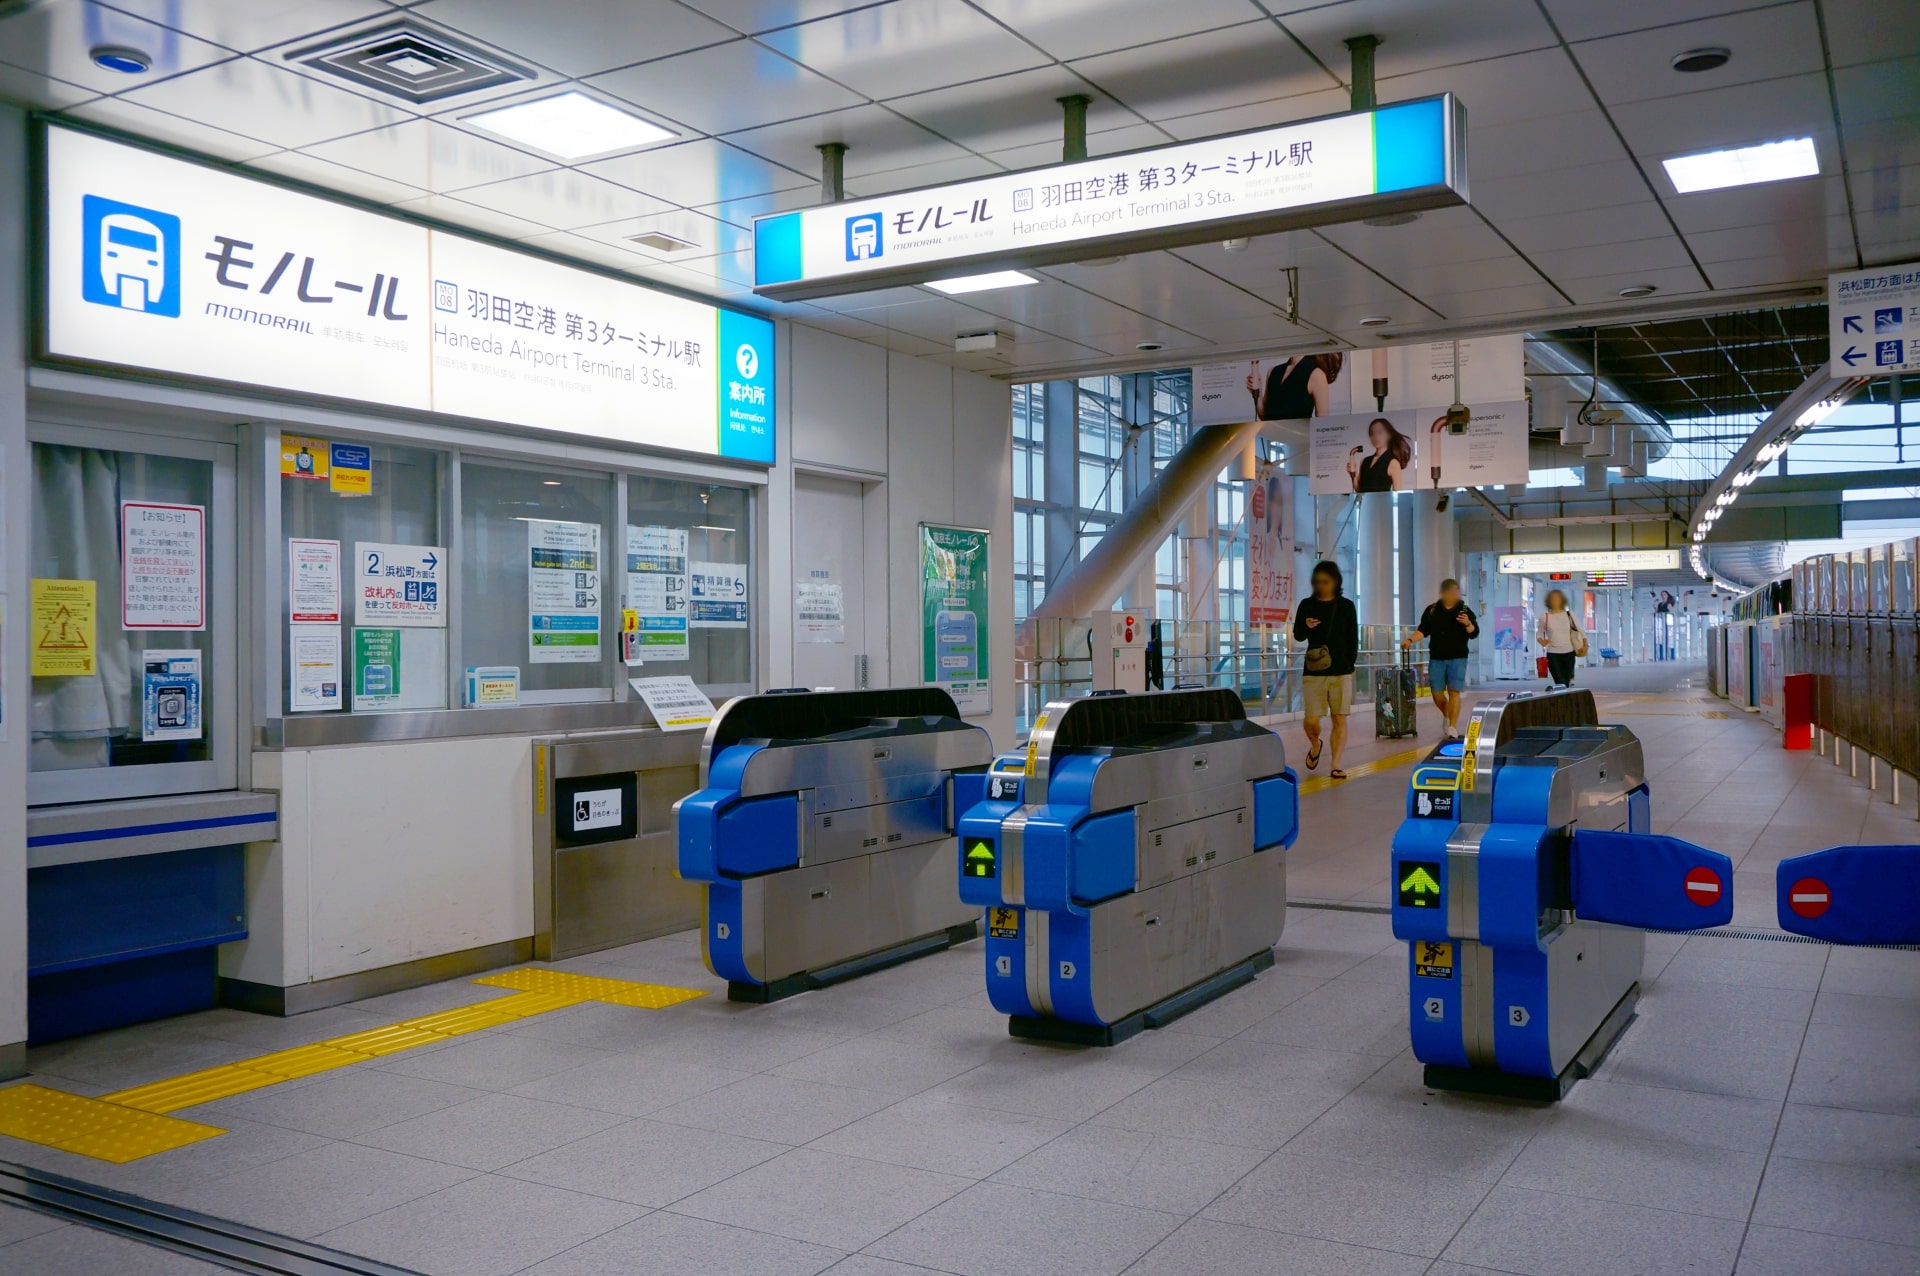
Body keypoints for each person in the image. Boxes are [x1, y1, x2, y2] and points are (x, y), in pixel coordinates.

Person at [1293, 560, 1359, 780]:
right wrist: (1306, 626)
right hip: (1314, 671)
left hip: (1341, 671)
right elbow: (1298, 635)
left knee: (1339, 719)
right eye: (1318, 582)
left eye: (1326, 581)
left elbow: (1353, 639)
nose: (1321, 585)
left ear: (1335, 582)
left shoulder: (1347, 606)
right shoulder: (1306, 605)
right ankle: (1315, 744)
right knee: (1311, 720)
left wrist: (1350, 666)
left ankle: (1336, 764)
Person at [1402, 578, 1478, 739]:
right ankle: (1447, 714)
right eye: (1451, 592)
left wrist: (1467, 623)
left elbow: (1474, 633)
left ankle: (1452, 726)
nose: (1454, 595)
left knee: (1454, 692)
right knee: (1436, 693)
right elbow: (1423, 630)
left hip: (1458, 657)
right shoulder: (1432, 610)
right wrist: (1410, 640)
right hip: (1437, 657)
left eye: (1456, 592)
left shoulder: (1464, 610)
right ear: (1442, 593)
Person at [1248, 352, 1343, 420]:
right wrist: (1258, 392)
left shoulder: (1316, 375)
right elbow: (1265, 416)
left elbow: (1323, 423)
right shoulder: (1273, 371)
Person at [1347, 416, 1413, 493]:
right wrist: (1353, 475)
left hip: (1382, 504)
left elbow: (1398, 492)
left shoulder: (1393, 463)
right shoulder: (1365, 461)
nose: (1375, 437)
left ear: (1389, 435)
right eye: (1372, 433)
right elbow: (1359, 489)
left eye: (1380, 433)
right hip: (1365, 504)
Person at [1537, 589, 1583, 688]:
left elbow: (1580, 631)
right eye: (1553, 599)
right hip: (1553, 654)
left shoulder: (1570, 615)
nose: (1555, 601)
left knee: (1566, 683)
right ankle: (1563, 700)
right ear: (1549, 601)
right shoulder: (1544, 617)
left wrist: (1585, 645)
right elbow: (1539, 634)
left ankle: (1565, 701)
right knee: (1560, 682)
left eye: (1558, 598)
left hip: (1569, 653)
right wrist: (1542, 641)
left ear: (1562, 600)